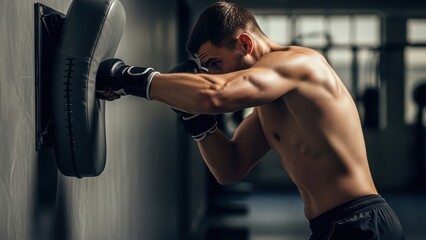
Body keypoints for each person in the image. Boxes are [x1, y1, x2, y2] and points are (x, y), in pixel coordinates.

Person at [96, 1, 404, 239]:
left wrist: (125, 78)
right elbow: (229, 167)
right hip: (331, 226)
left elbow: (216, 95)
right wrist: (197, 121)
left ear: (244, 44)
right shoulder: (270, 103)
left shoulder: (299, 64)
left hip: (361, 223)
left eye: (215, 63)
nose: (213, 74)